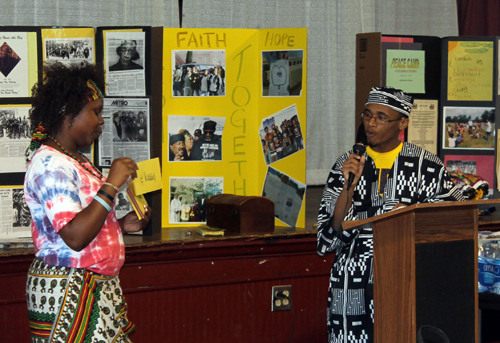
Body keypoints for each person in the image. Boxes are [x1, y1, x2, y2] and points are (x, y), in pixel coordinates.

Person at [316, 87, 465, 343]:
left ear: (402, 123)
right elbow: (326, 240)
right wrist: (347, 188)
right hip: (352, 284)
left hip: (404, 282)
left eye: (381, 117)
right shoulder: (347, 164)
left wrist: (406, 217)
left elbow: (451, 221)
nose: (371, 123)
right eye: (367, 115)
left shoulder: (426, 166)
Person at [23, 62, 152, 342]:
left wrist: (118, 226)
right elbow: (75, 236)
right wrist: (110, 184)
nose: (102, 120)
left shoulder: (74, 161)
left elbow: (81, 223)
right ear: (67, 116)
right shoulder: (49, 164)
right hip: (68, 289)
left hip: (90, 286)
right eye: (95, 112)